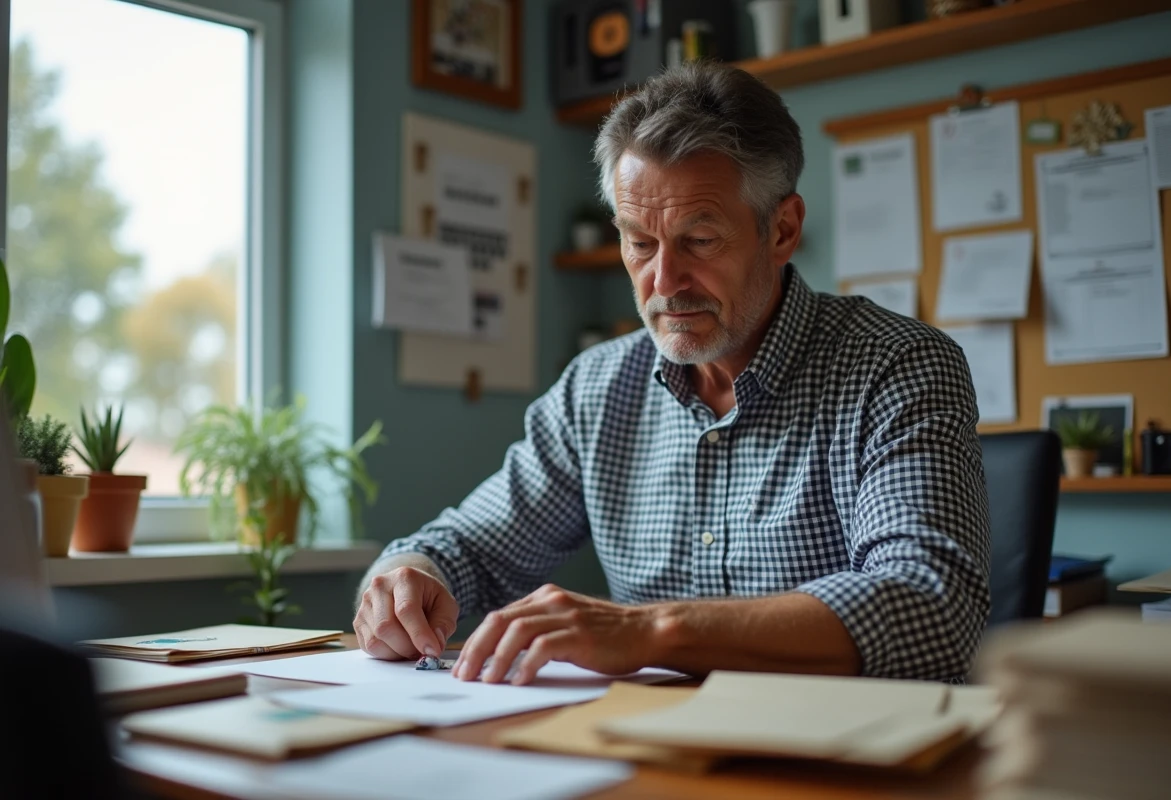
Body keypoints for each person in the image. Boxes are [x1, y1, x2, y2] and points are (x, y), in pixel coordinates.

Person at [355, 62, 990, 685]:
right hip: (649, 756)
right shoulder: (596, 390)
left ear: (784, 229)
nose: (663, 282)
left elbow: (930, 607)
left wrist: (650, 631)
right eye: (639, 242)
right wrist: (411, 577)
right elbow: (467, 545)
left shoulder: (897, 366)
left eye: (701, 240)